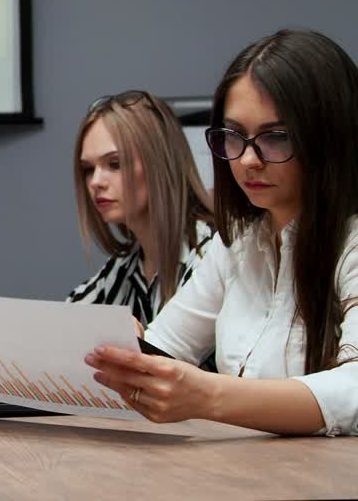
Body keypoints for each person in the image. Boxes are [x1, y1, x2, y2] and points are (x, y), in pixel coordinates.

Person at [88, 29, 358, 436]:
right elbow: (166, 346)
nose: (248, 160)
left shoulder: (350, 241)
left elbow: (354, 390)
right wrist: (128, 352)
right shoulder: (238, 243)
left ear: (330, 138)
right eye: (233, 136)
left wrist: (209, 396)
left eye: (276, 137)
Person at [67, 90, 217, 324]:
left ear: (159, 163)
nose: (96, 182)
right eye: (88, 169)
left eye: (114, 164)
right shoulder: (122, 269)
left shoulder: (213, 255)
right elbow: (60, 325)